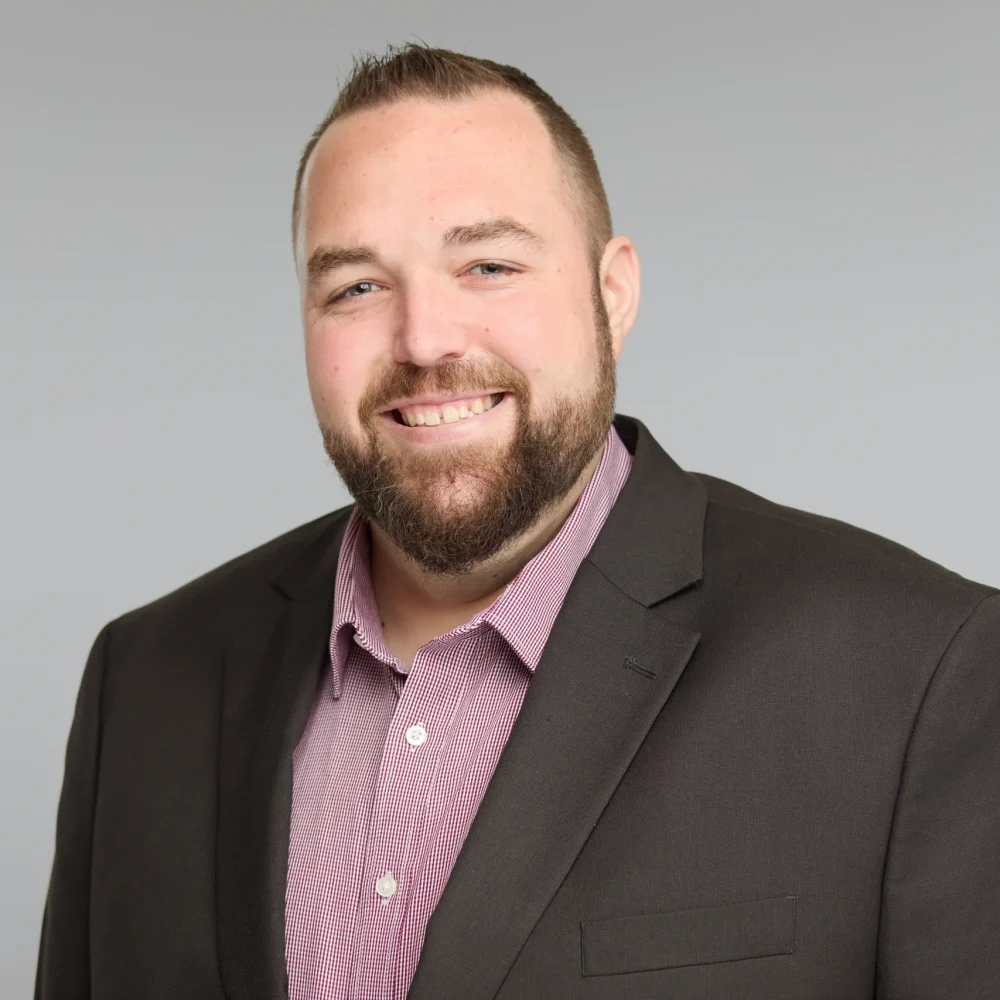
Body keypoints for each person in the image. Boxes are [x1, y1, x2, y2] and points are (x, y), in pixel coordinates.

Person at [36, 42, 999, 1000]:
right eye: (356, 287)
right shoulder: (144, 683)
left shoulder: (920, 674)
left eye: (488, 265)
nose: (424, 340)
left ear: (611, 293)